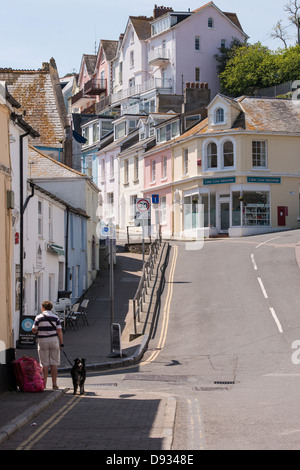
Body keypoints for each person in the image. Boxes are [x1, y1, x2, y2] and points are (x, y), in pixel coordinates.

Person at [32, 300, 64, 390]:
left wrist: (38, 329)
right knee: (54, 363)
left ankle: (44, 384)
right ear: (51, 308)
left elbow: (34, 330)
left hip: (42, 340)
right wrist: (61, 343)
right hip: (54, 340)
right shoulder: (56, 317)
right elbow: (59, 331)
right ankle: (54, 384)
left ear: (43, 308)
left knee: (44, 363)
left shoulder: (38, 317)